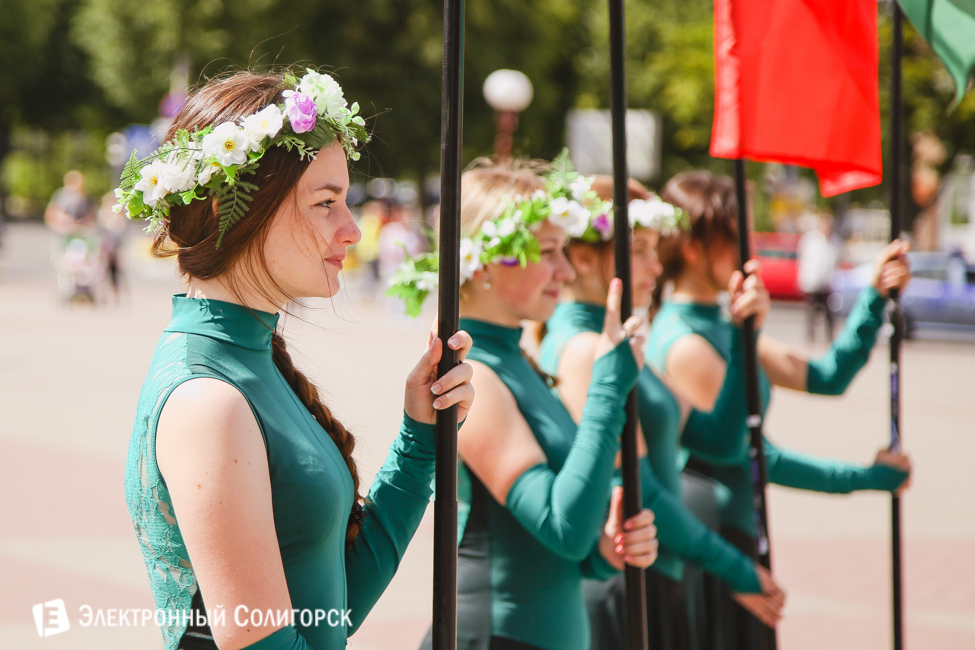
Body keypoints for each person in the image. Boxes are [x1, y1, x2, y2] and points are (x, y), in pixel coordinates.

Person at [120, 70, 475, 650]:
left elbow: (328, 613)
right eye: (325, 202)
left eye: (347, 200)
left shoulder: (251, 364)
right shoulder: (208, 400)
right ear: (233, 209)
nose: (353, 230)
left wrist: (420, 440)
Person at [394, 159, 658, 650]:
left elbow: (562, 550)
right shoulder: (473, 378)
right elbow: (562, 528)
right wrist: (608, 388)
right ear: (489, 261)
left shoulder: (519, 359)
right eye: (550, 251)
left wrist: (609, 550)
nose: (566, 268)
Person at [646, 170, 913, 649]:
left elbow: (827, 377)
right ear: (692, 247)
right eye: (736, 238)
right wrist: (864, 479)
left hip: (743, 532)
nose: (749, 254)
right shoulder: (683, 341)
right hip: (717, 546)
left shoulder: (722, 321)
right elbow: (749, 453)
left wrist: (873, 298)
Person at [538, 174, 785, 650]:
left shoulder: (620, 344)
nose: (656, 265)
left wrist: (742, 334)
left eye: (656, 248)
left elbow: (722, 439)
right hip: (619, 586)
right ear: (584, 258)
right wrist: (735, 566)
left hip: (657, 574)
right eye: (641, 249)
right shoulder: (587, 348)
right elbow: (637, 486)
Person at [797, 211, 840, 341]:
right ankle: (811, 337)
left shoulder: (835, 241)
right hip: (813, 282)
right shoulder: (811, 240)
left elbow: (834, 262)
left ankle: (829, 338)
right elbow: (805, 260)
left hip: (827, 283)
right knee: (811, 312)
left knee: (829, 314)